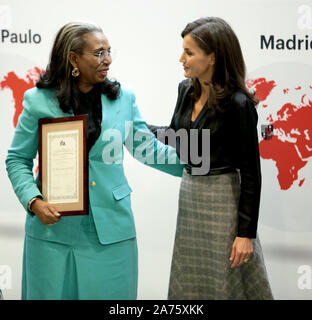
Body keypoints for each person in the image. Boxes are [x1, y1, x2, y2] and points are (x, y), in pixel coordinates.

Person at [5, 22, 183, 300]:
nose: (108, 60)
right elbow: (17, 159)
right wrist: (34, 201)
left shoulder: (123, 99)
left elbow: (148, 149)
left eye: (109, 51)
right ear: (73, 59)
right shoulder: (37, 100)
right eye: (99, 53)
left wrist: (203, 164)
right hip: (52, 234)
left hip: (111, 234)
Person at [148, 17, 273, 299]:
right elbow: (176, 135)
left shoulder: (239, 103)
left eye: (189, 52)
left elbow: (251, 173)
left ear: (213, 57)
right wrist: (137, 127)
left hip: (223, 202)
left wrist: (245, 234)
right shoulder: (185, 89)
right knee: (190, 279)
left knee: (225, 283)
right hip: (190, 195)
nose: (181, 58)